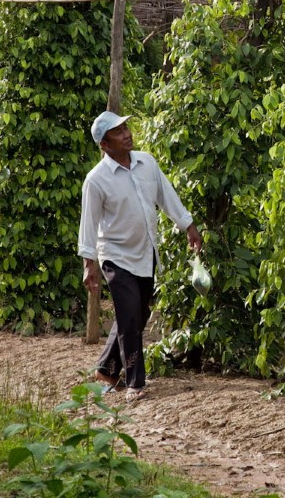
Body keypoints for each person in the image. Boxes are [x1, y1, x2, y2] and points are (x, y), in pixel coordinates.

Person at [79, 110, 203, 402]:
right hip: (115, 255)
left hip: (145, 253)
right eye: (118, 133)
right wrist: (89, 264)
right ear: (105, 145)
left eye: (126, 128)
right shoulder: (96, 180)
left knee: (138, 313)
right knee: (130, 312)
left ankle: (106, 370)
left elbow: (167, 196)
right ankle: (136, 382)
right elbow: (89, 223)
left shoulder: (146, 162)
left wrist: (189, 226)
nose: (127, 135)